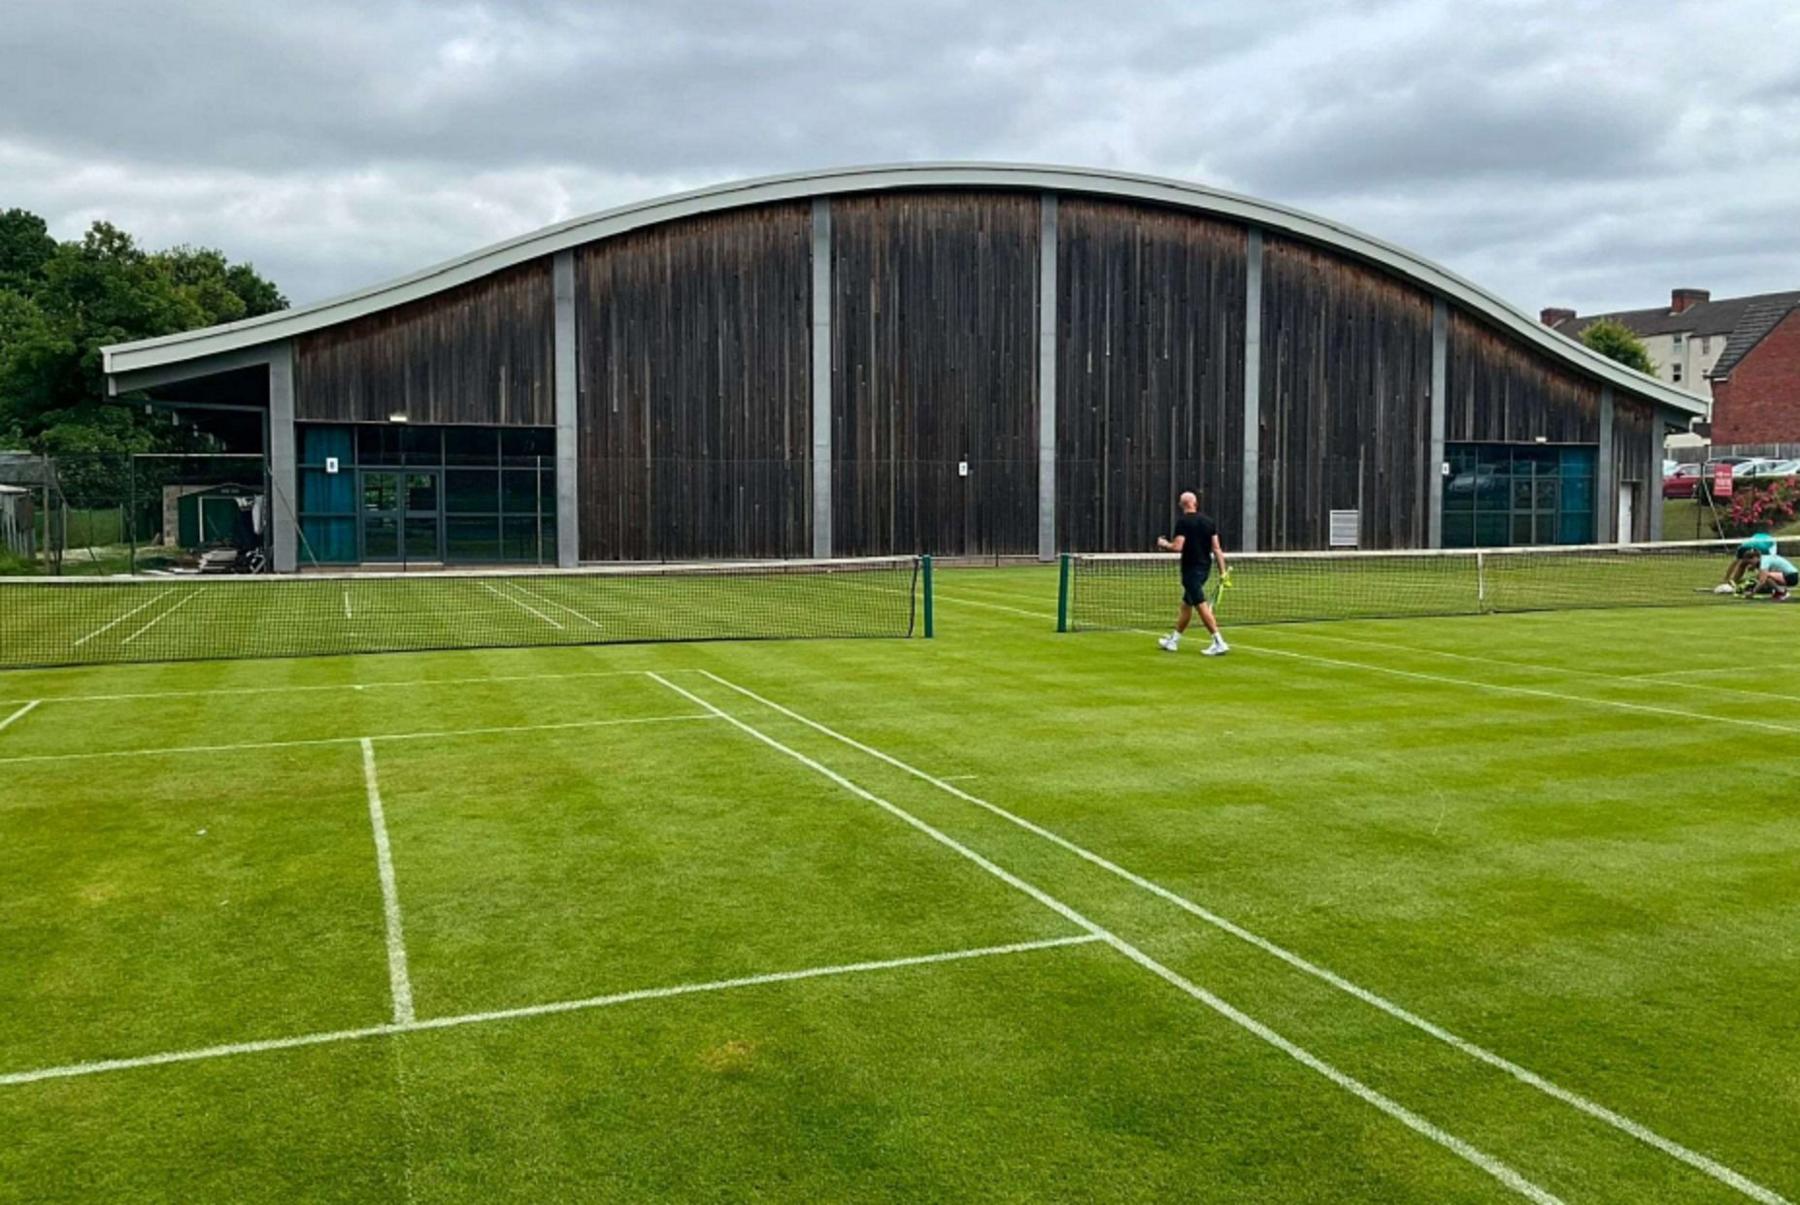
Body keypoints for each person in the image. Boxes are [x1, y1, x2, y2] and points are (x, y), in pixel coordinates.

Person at [1155, 491, 1229, 655]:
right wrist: (1223, 572)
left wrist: (1164, 543)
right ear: (1195, 503)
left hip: (1191, 572)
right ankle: (1173, 641)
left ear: (1182, 505)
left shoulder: (1183, 522)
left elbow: (1177, 547)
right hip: (1204, 570)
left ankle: (1219, 641)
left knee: (1200, 605)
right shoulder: (1209, 522)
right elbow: (1216, 548)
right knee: (1186, 605)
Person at [1718, 525, 1777, 593]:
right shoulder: (1742, 548)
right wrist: (1726, 578)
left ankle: (1771, 584)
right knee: (1743, 564)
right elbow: (1734, 563)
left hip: (1770, 542)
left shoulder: (1764, 550)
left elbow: (1767, 563)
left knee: (1766, 567)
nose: (1749, 562)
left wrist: (1755, 567)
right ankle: (1734, 582)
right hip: (1755, 540)